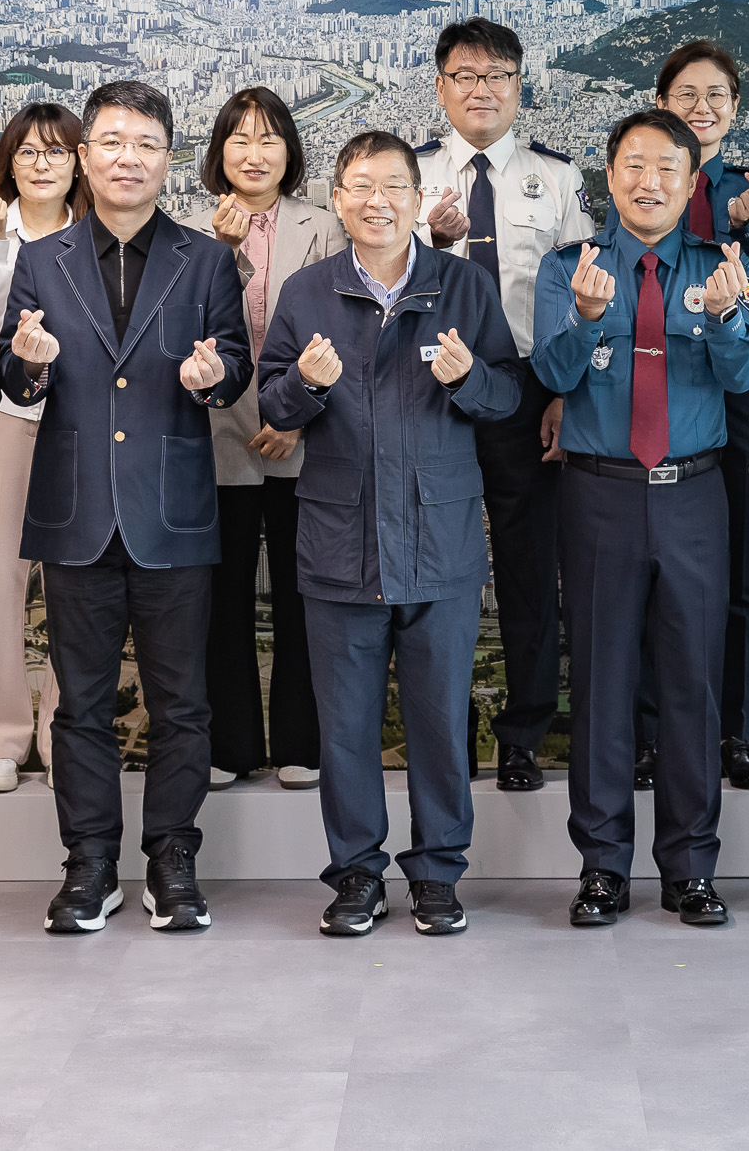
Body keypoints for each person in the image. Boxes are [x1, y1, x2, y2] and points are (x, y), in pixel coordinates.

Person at [0, 80, 252, 936]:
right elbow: (13, 374)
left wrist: (217, 378)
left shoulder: (206, 259)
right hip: (76, 511)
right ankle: (91, 864)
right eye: (110, 141)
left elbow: (240, 365)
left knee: (183, 703)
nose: (126, 157)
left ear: (168, 158)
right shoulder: (41, 258)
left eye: (144, 143)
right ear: (84, 155)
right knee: (80, 704)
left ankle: (173, 860)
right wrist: (28, 365)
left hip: (174, 510)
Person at [257, 131, 521, 938]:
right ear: (338, 198)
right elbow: (270, 402)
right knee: (345, 726)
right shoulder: (306, 292)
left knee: (441, 719)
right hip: (339, 541)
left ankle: (438, 873)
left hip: (439, 542)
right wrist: (304, 383)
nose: (377, 200)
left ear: (417, 196)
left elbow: (506, 395)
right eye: (360, 186)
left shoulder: (463, 286)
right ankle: (357, 875)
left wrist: (467, 378)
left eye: (394, 186)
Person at [532, 109, 749, 929]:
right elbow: (552, 372)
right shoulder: (570, 268)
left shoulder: (721, 265)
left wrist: (734, 316)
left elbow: (745, 377)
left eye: (668, 167)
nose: (649, 181)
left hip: (697, 492)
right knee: (600, 681)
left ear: (691, 181)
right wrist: (587, 320)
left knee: (693, 683)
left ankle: (691, 868)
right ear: (611, 174)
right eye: (633, 165)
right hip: (599, 491)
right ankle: (602, 868)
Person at [414, 18, 592, 794]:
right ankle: (442, 727)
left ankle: (523, 731)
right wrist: (432, 242)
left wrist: (563, 397)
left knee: (528, 568)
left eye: (498, 76)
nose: (482, 89)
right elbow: (383, 287)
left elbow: (586, 299)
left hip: (525, 389)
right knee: (437, 569)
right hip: (429, 389)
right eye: (465, 75)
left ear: (521, 87)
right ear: (440, 86)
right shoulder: (408, 173)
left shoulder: (557, 179)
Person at [636, 42, 749, 794]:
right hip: (647, 400)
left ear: (735, 108)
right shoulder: (636, 180)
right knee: (641, 577)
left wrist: (748, 231)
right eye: (687, 93)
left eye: (718, 95)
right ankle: (646, 731)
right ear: (661, 100)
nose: (702, 107)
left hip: (735, 405)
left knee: (734, 579)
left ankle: (733, 731)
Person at [199, 87, 341, 791]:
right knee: (221, 596)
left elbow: (338, 333)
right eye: (240, 139)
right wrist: (223, 251)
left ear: (291, 152)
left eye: (269, 139)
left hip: (303, 431)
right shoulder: (191, 231)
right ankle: (229, 742)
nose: (254, 154)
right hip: (216, 432)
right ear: (218, 152)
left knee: (301, 591)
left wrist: (294, 411)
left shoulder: (323, 225)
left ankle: (299, 739)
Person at [0, 103, 88, 795]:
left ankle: (70, 730)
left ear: (77, 162)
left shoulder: (97, 234)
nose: (41, 163)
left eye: (56, 151)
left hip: (78, 423)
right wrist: (0, 238)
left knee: (73, 582)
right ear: (8, 160)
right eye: (28, 152)